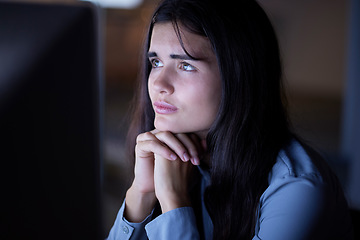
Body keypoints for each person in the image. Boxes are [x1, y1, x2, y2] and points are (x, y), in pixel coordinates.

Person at [107, 0, 353, 239]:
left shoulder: (297, 190)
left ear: (237, 75)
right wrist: (142, 192)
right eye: (156, 62)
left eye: (185, 65)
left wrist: (173, 201)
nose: (158, 83)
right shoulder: (182, 156)